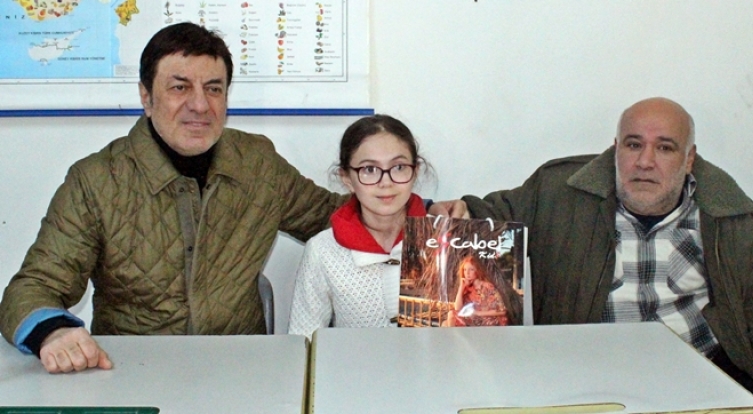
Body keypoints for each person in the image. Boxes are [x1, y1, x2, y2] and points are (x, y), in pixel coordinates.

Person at [0, 22, 346, 373]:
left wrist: (377, 178)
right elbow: (33, 287)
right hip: (130, 373)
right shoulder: (96, 181)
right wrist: (54, 332)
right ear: (146, 97)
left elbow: (335, 217)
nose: (200, 105)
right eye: (180, 87)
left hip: (239, 370)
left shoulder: (258, 165)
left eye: (213, 89)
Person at [431, 97, 753, 414]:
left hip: (701, 374)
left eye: (665, 148)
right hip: (583, 379)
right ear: (615, 149)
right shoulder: (557, 193)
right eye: (633, 144)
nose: (645, 161)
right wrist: (461, 212)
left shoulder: (734, 219)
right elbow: (495, 216)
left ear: (690, 159)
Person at [288, 115, 429, 339]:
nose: (386, 182)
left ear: (416, 171)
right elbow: (303, 341)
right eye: (369, 169)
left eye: (399, 167)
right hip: (352, 362)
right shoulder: (322, 250)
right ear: (347, 178)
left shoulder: (446, 239)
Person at [442, 255, 508, 327]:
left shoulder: (488, 286)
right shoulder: (467, 288)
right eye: (465, 270)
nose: (467, 273)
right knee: (446, 322)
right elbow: (457, 309)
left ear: (477, 271)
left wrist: (478, 313)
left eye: (471, 269)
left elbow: (502, 311)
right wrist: (461, 287)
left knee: (450, 317)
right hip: (474, 320)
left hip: (489, 321)